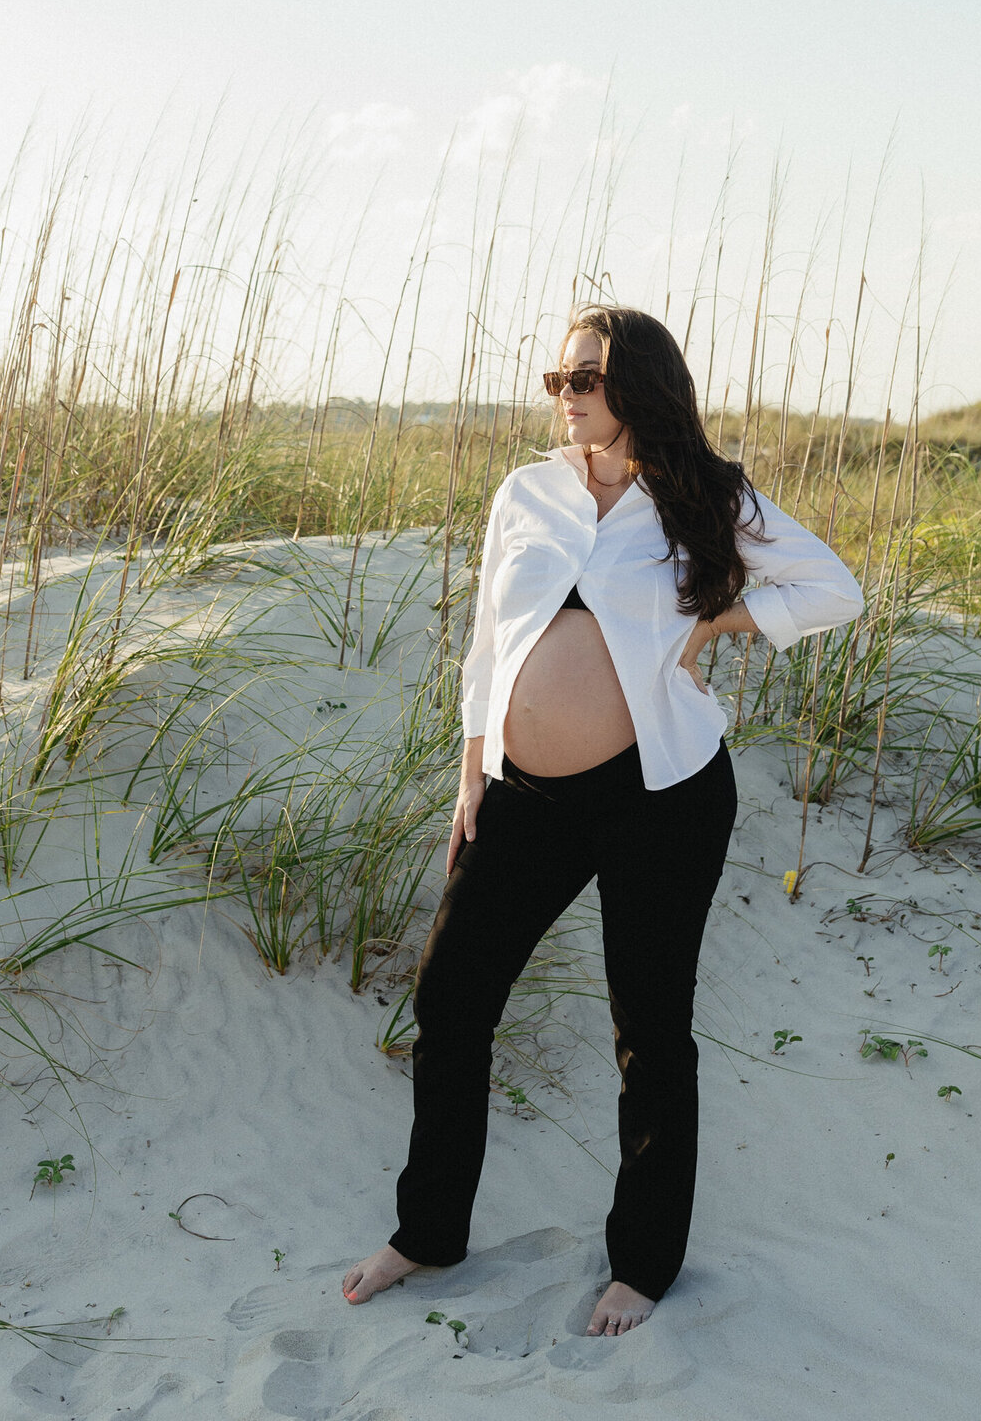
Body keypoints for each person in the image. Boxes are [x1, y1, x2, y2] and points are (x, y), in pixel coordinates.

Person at [342, 304, 863, 1337]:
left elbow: (833, 587)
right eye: (558, 379)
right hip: (525, 797)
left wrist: (721, 619)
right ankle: (429, 1230)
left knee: (649, 1029)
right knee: (450, 1001)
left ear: (637, 389)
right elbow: (489, 640)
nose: (564, 396)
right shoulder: (525, 492)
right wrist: (472, 769)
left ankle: (643, 1264)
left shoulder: (704, 497)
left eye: (582, 379)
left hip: (660, 795)